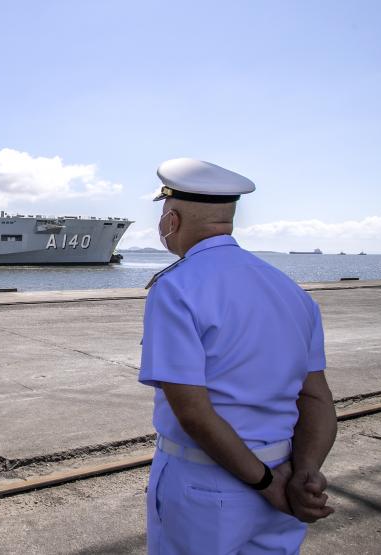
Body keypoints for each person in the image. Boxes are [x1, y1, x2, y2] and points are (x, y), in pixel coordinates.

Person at [139, 158, 338, 554]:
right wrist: (306, 473)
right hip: (286, 473)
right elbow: (316, 397)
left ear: (171, 220)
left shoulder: (177, 288)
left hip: (206, 485)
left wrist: (266, 484)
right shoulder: (290, 290)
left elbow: (193, 412)